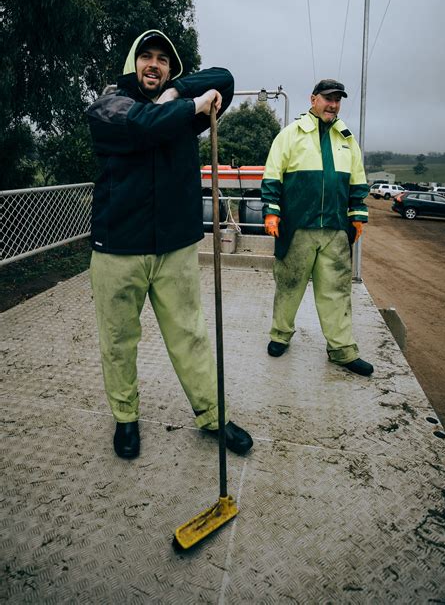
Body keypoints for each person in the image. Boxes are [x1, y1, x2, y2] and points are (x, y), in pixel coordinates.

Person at [86, 29, 253, 459]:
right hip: (117, 249)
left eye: (163, 59)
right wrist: (192, 106)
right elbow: (144, 126)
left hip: (174, 246)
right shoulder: (108, 105)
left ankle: (213, 417)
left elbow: (226, 78)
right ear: (132, 63)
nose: (154, 65)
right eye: (146, 57)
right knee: (118, 339)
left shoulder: (179, 105)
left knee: (191, 336)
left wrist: (181, 92)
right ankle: (125, 420)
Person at [261, 79, 374, 377]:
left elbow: (357, 183)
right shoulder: (290, 135)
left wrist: (357, 216)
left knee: (336, 292)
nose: (333, 104)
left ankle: (342, 350)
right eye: (328, 98)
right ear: (313, 99)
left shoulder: (347, 139)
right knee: (288, 286)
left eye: (337, 99)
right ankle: (280, 335)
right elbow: (272, 177)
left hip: (335, 230)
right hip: (298, 227)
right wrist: (272, 214)